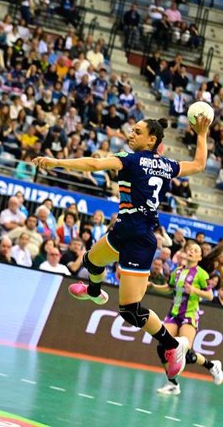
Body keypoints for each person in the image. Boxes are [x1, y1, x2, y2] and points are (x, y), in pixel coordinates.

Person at [32, 116, 211, 380]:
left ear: (152, 139)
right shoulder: (167, 165)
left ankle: (173, 347)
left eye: (137, 132)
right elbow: (199, 164)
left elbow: (94, 164)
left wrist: (56, 162)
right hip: (124, 229)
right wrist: (202, 134)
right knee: (91, 261)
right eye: (132, 130)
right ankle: (94, 291)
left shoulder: (131, 158)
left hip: (139, 238)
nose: (131, 134)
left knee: (130, 310)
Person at [149, 241, 222, 394]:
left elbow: (209, 295)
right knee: (162, 347)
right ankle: (173, 384)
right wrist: (154, 287)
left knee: (185, 352)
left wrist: (194, 290)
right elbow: (169, 288)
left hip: (189, 316)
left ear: (199, 257)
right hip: (173, 314)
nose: (191, 251)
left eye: (195, 250)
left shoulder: (201, 274)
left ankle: (212, 366)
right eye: (189, 249)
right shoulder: (177, 271)